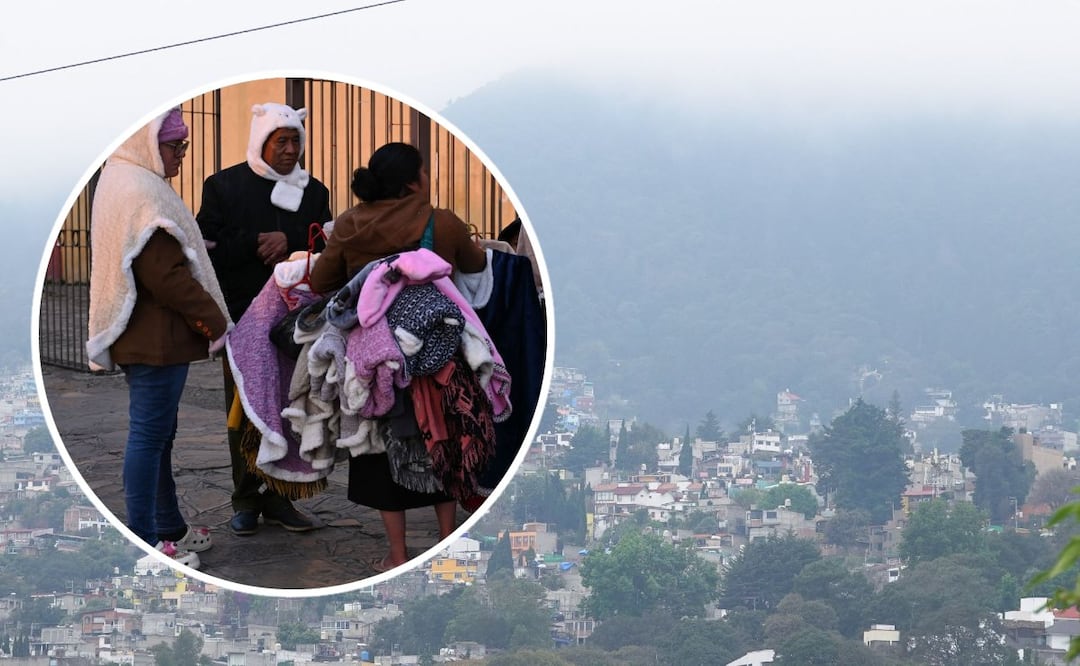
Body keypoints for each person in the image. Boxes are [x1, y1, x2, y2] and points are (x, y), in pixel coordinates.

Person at [309, 142, 487, 572]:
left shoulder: (350, 224)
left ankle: (397, 553)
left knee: (377, 449)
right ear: (413, 181)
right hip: (438, 353)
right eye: (425, 171)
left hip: (373, 357)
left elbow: (321, 281)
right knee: (440, 437)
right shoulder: (441, 223)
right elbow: (477, 268)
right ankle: (447, 537)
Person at [86, 108, 230, 570]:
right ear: (148, 141)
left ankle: (169, 526)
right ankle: (148, 540)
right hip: (157, 339)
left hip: (147, 336)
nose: (180, 155)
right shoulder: (140, 190)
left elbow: (156, 251)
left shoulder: (122, 177)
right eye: (174, 146)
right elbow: (164, 275)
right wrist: (217, 322)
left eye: (183, 145)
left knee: (159, 436)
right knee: (149, 437)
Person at [197, 102, 332, 536]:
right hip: (240, 315)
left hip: (296, 322)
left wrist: (289, 239)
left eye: (296, 141)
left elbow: (327, 246)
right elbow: (206, 247)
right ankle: (245, 498)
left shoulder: (314, 192)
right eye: (282, 141)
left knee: (289, 406)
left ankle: (282, 497)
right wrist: (255, 244)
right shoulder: (224, 186)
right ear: (262, 142)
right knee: (244, 409)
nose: (291, 150)